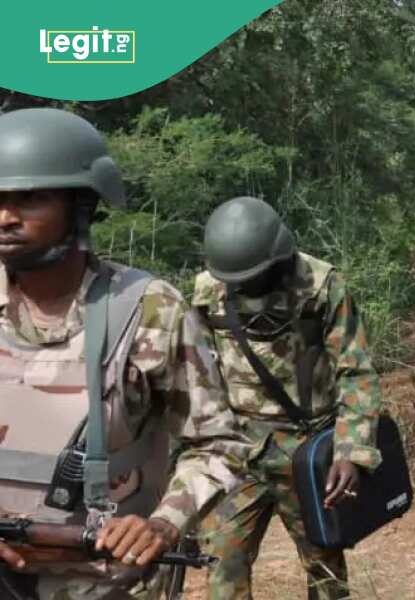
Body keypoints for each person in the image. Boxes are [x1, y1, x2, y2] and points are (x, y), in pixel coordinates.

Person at [0, 107, 251, 598]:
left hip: (105, 585)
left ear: (81, 209)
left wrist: (163, 524)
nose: (6, 216)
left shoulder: (147, 310)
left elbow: (219, 443)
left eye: (31, 199)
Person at [194, 196, 383, 599]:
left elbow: (357, 371)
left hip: (306, 450)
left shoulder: (321, 286)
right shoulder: (209, 290)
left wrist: (349, 450)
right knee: (221, 567)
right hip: (236, 450)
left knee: (325, 572)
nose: (243, 287)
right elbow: (197, 375)